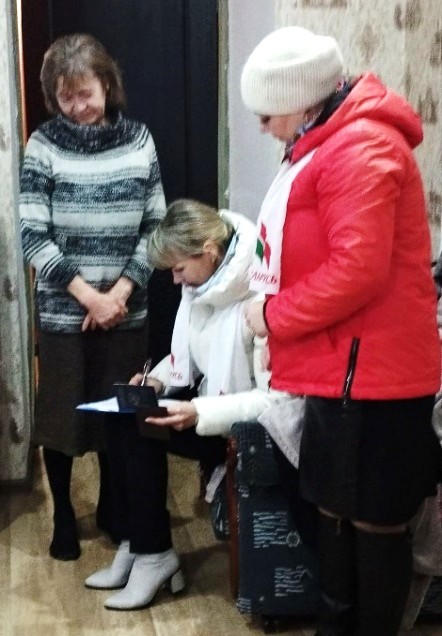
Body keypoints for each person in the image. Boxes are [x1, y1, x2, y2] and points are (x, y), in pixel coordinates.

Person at [241, 26, 442, 636]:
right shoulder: (325, 144)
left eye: (267, 114)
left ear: (301, 100)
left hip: (377, 380)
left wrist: (271, 316)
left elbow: (357, 271)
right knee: (333, 514)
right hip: (345, 373)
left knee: (374, 524)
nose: (263, 128)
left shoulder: (361, 147)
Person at [84, 198, 285, 610]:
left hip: (249, 427)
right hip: (214, 404)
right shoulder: (203, 287)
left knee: (143, 428)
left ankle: (155, 555)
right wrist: (156, 379)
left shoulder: (258, 298)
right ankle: (137, 544)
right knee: (122, 416)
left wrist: (199, 412)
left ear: (209, 252)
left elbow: (272, 401)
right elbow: (189, 357)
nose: (176, 281)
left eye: (178, 268)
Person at [19, 34, 166, 561]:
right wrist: (89, 298)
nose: (78, 107)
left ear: (107, 84)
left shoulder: (140, 140)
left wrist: (119, 293)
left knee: (119, 418)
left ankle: (111, 506)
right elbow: (33, 234)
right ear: (53, 98)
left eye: (86, 93)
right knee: (61, 418)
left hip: (126, 310)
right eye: (66, 98)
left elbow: (157, 226)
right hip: (66, 312)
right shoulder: (43, 145)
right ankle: (63, 513)